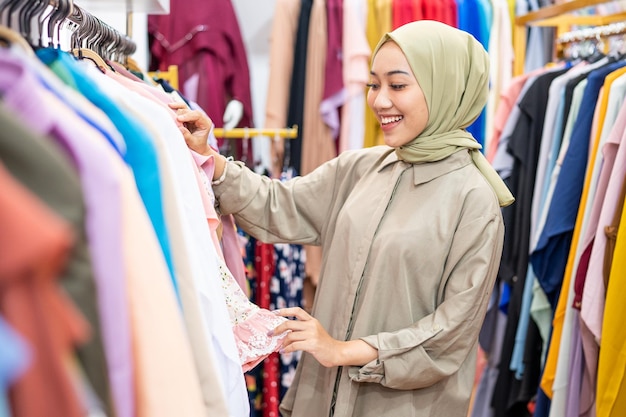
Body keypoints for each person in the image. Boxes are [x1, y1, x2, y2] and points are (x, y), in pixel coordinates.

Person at [170, 19, 514, 417]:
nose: (379, 100)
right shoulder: (363, 167)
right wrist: (211, 160)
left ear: (446, 88)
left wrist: (341, 350)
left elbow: (452, 331)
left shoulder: (474, 198)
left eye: (397, 85)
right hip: (321, 398)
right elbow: (279, 205)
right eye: (373, 84)